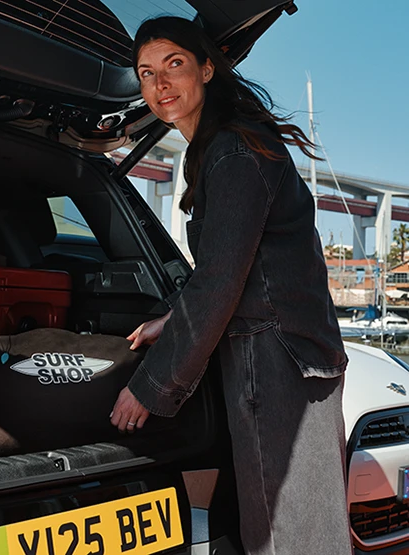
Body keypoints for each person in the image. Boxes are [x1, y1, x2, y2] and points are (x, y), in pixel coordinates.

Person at [109, 16, 353, 555]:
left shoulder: (235, 151)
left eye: (174, 64)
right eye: (146, 73)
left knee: (287, 536)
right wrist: (172, 318)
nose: (159, 84)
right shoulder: (224, 147)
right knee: (296, 528)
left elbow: (220, 280)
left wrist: (149, 386)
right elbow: (234, 266)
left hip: (277, 360)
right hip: (288, 353)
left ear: (207, 69)